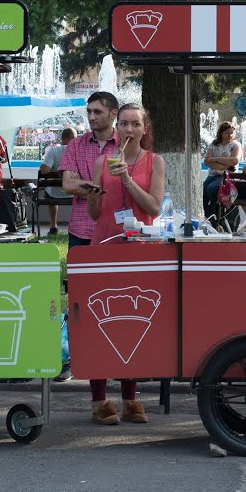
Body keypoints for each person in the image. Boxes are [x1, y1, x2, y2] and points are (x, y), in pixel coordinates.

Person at [84, 102, 164, 425]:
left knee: (134, 320)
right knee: (98, 322)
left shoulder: (154, 162)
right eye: (124, 124)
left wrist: (128, 181)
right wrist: (93, 191)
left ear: (145, 130)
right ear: (116, 130)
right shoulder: (103, 161)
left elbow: (154, 207)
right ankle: (99, 400)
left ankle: (131, 397)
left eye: (135, 124)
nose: (129, 130)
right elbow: (93, 213)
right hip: (104, 248)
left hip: (139, 250)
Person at [60, 91, 121, 247]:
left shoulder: (124, 145)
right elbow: (68, 185)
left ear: (113, 114)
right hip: (81, 229)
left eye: (97, 112)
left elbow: (126, 188)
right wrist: (108, 186)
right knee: (78, 272)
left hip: (116, 229)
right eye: (89, 111)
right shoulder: (75, 145)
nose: (91, 117)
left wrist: (83, 184)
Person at [203, 121, 242, 229]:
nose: (230, 135)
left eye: (231, 133)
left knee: (211, 189)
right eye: (227, 133)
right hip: (213, 175)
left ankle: (217, 220)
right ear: (221, 133)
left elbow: (235, 160)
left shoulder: (235, 145)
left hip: (227, 177)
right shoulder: (213, 144)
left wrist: (215, 159)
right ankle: (212, 220)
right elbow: (207, 162)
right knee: (202, 192)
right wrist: (225, 165)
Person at [39, 128, 75, 236]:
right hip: (74, 193)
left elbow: (44, 170)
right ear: (72, 138)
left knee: (49, 191)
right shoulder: (78, 151)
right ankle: (74, 226)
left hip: (54, 194)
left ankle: (53, 226)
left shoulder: (54, 150)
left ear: (62, 138)